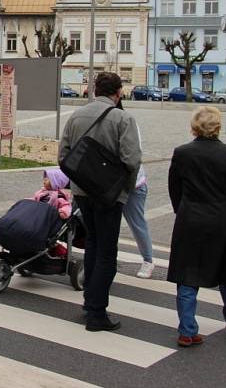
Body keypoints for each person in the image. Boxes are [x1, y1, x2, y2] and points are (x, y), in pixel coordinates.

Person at [59, 72, 141, 332]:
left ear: (94, 90)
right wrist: (122, 190)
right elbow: (132, 160)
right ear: (118, 93)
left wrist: (80, 180)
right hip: (109, 196)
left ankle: (88, 304)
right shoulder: (123, 118)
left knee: (93, 245)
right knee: (107, 252)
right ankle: (96, 312)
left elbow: (63, 155)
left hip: (82, 193)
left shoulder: (76, 115)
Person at [167, 106, 226, 347]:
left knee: (187, 273)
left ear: (194, 126)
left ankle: (187, 330)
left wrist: (182, 209)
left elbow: (174, 187)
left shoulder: (182, 153)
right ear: (217, 126)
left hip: (190, 219)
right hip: (222, 220)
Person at [115, 99, 155, 279]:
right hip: (110, 184)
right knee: (109, 225)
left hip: (133, 184)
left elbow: (133, 155)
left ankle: (148, 260)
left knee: (137, 223)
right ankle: (109, 258)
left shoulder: (128, 122)